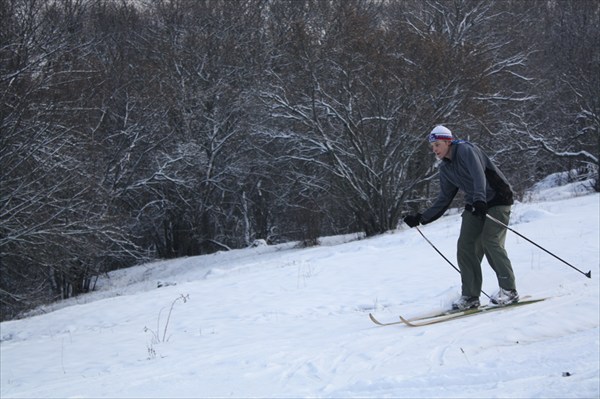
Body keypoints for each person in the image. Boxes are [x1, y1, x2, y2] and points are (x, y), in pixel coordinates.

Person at [403, 125, 519, 310]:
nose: (435, 150)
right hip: (476, 204)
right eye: (432, 147)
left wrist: (481, 199)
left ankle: (509, 291)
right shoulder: (445, 169)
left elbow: (478, 174)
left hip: (497, 198)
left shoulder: (466, 150)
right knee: (465, 247)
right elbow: (444, 199)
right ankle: (470, 296)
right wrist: (421, 218)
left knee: (491, 242)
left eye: (437, 145)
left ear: (448, 141)